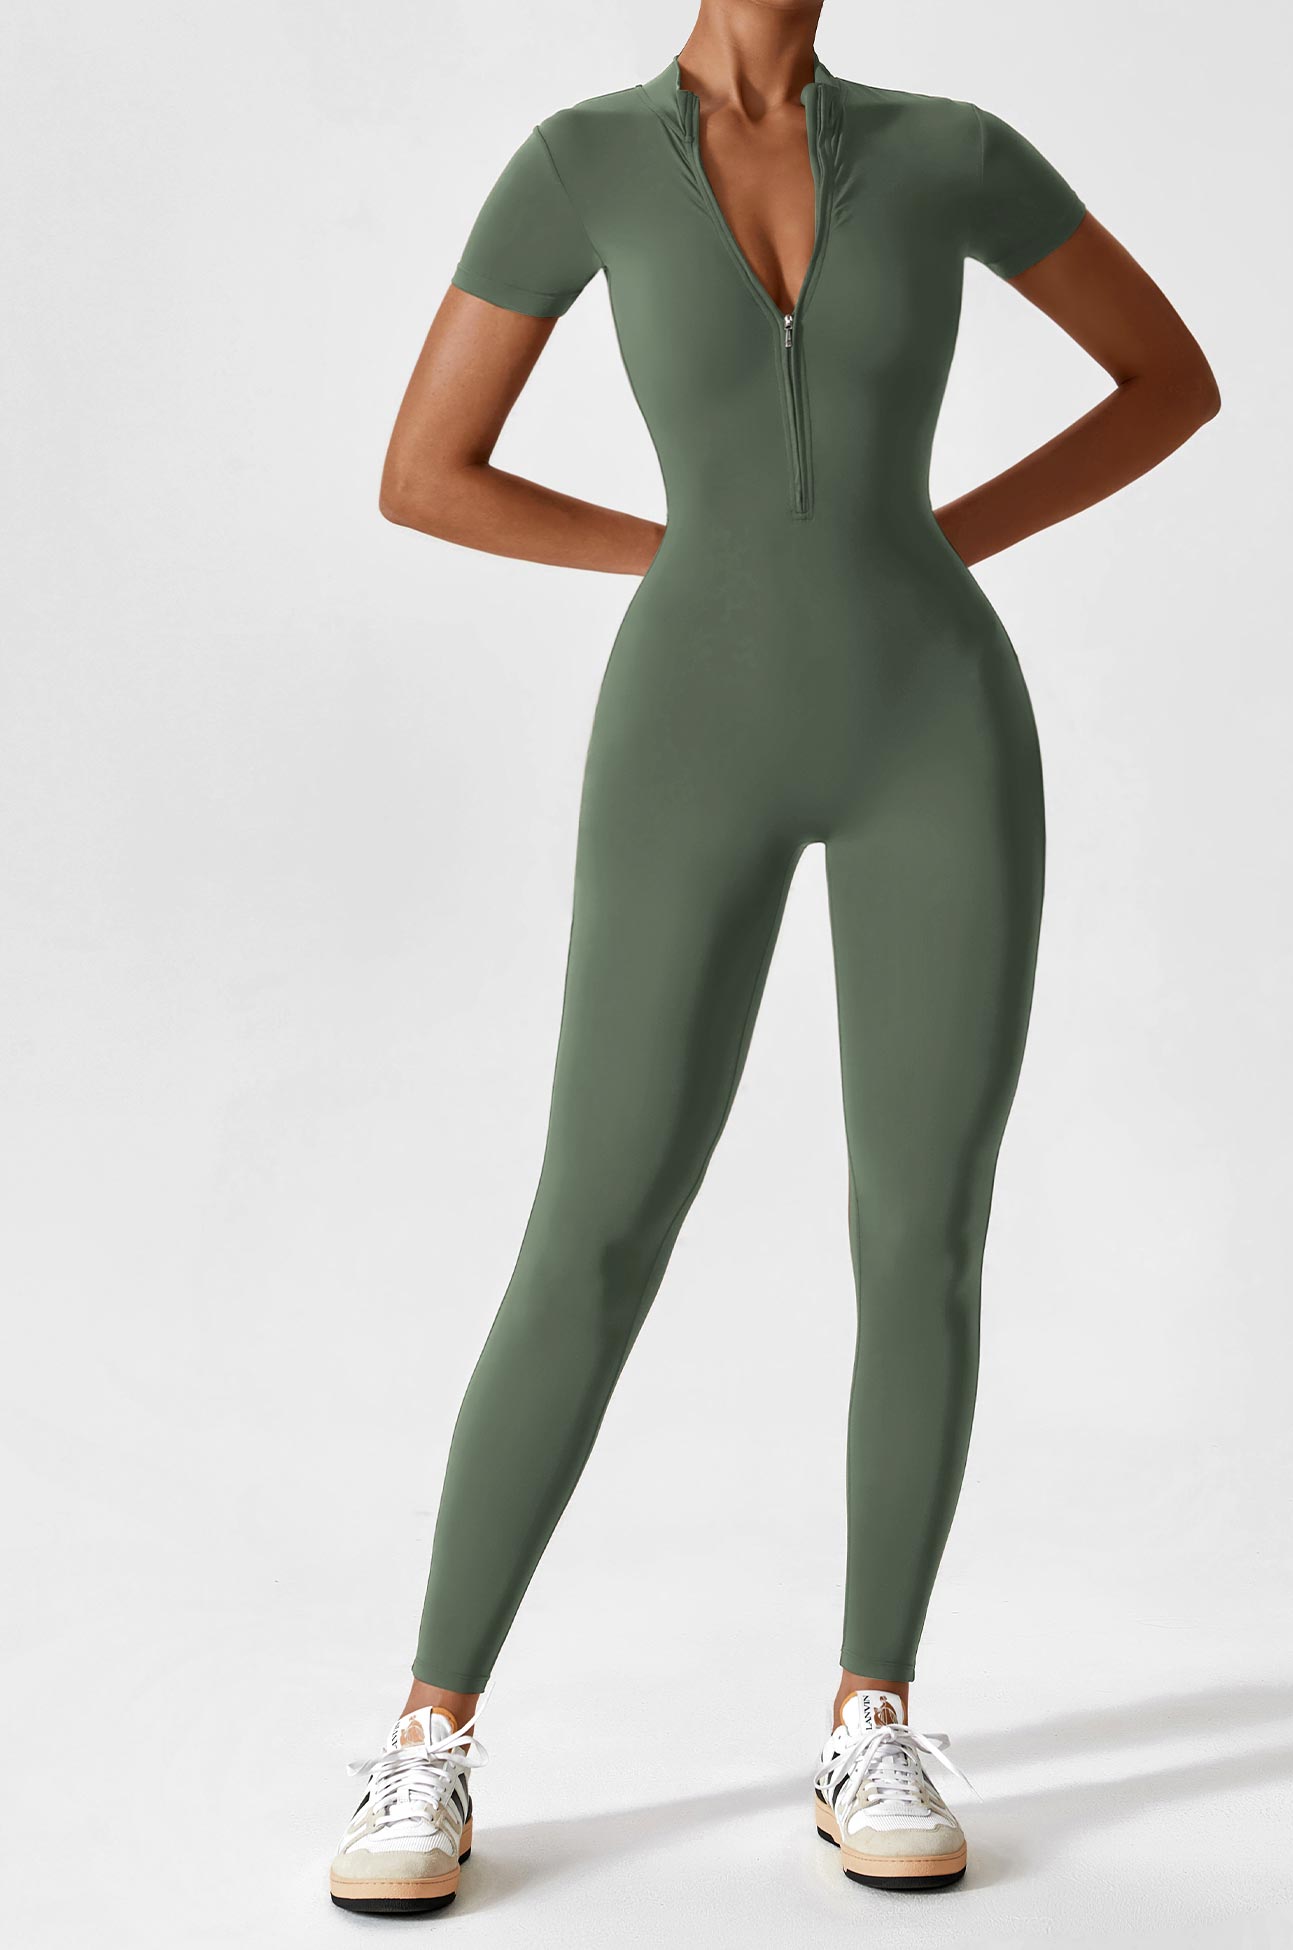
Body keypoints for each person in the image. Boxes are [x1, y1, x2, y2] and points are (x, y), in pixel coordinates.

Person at [328, 0, 1219, 1914]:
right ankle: (428, 1734)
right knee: (593, 1223)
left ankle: (870, 1709)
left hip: (935, 738)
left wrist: (937, 543)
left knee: (923, 1228)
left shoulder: (951, 151)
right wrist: (681, 561)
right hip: (688, 742)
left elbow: (1170, 381)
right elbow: (427, 469)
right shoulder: (580, 163)